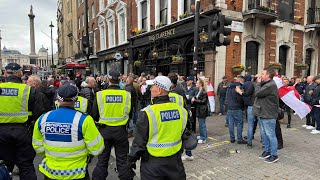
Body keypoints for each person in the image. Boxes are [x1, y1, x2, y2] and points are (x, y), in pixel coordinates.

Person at [32, 83, 104, 180]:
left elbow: (38, 146)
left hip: (51, 172)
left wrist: (53, 154)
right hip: (77, 173)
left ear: (57, 99)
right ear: (76, 99)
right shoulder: (84, 120)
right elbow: (97, 149)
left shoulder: (43, 118)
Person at [128, 76, 188, 180]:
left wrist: (130, 161)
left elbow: (139, 143)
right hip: (175, 162)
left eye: (153, 86)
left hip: (153, 164)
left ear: (159, 90)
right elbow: (185, 134)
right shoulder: (181, 111)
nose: (150, 89)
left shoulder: (147, 113)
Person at [0, 63, 44, 180]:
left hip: (1, 133)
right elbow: (38, 113)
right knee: (26, 166)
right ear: (20, 73)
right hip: (22, 132)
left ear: (5, 73)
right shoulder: (29, 90)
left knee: (3, 166)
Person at [91, 70, 133, 180]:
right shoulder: (126, 95)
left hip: (104, 131)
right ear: (119, 80)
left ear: (108, 79)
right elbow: (131, 113)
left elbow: (94, 115)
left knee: (102, 161)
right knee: (122, 161)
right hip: (121, 131)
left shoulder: (100, 94)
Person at [254, 68, 279, 163]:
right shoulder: (266, 84)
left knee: (270, 135)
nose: (261, 75)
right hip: (263, 113)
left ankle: (274, 155)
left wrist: (258, 83)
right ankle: (267, 151)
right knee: (264, 134)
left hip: (268, 114)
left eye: (263, 74)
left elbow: (257, 93)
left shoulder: (270, 85)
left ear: (268, 75)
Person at [236, 74, 255, 148]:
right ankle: (264, 143)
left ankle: (249, 142)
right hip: (257, 105)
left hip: (248, 104)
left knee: (250, 124)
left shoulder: (245, 84)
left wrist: (240, 92)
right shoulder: (256, 84)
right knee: (260, 125)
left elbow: (245, 93)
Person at [226, 76, 245, 144]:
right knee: (239, 123)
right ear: (240, 81)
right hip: (237, 107)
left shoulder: (229, 87)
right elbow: (240, 98)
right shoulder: (239, 87)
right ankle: (239, 139)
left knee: (231, 124)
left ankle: (232, 138)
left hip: (230, 107)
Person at [193, 79, 209, 144]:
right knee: (200, 124)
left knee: (202, 124)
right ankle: (202, 136)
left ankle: (204, 138)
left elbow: (204, 101)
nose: (196, 84)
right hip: (199, 109)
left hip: (202, 109)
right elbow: (197, 98)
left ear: (200, 84)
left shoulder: (204, 92)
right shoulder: (198, 91)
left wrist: (195, 100)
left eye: (197, 83)